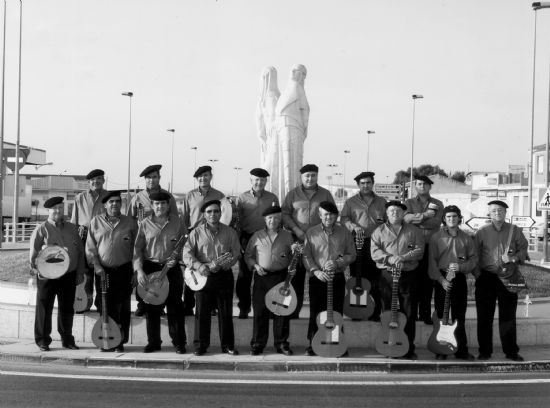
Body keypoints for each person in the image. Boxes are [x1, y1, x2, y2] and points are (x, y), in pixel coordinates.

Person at [182, 200, 241, 356]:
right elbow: (187, 254)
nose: (213, 214)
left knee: (226, 312)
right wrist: (201, 267)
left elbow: (235, 253)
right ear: (204, 214)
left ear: (220, 213)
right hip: (203, 276)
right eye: (209, 212)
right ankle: (200, 345)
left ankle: (228, 345)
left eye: (215, 211)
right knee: (201, 312)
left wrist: (225, 264)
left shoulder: (230, 232)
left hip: (223, 276)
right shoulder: (196, 233)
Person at [473, 200, 527, 362]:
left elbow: (523, 248)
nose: (497, 213)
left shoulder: (514, 230)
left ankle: (511, 351)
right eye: (494, 211)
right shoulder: (482, 232)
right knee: (484, 316)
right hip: (487, 277)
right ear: (489, 213)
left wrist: (514, 258)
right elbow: (474, 255)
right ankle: (484, 351)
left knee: (508, 315)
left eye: (501, 210)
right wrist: (478, 275)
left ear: (505, 213)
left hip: (508, 276)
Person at [133, 191, 187, 354]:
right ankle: (154, 342)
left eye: (163, 203)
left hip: (172, 268)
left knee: (175, 306)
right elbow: (137, 249)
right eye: (157, 203)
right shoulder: (144, 223)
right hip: (151, 267)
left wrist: (178, 258)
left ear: (167, 205)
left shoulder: (177, 222)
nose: (160, 206)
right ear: (152, 205)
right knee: (151, 307)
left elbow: (185, 244)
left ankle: (179, 342)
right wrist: (139, 270)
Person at [30, 196, 86, 351]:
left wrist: (80, 272)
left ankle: (67, 339)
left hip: (68, 275)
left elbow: (80, 252)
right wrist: (37, 271)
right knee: (44, 307)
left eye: (60, 208)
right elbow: (34, 255)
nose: (57, 211)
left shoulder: (72, 228)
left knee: (67, 308)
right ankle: (42, 340)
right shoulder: (42, 229)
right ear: (48, 210)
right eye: (54, 208)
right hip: (47, 275)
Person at [371, 200, 424, 359]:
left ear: (403, 214)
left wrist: (402, 258)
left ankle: (408, 348)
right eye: (392, 211)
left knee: (409, 312)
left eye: (398, 211)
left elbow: (419, 250)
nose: (395, 213)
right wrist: (390, 259)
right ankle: (389, 345)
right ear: (386, 213)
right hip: (387, 275)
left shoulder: (414, 231)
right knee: (388, 312)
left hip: (408, 274)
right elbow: (374, 252)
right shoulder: (378, 231)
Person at [282, 164, 335, 319]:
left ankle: (318, 315)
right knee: (295, 279)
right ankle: (293, 313)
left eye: (313, 175)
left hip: (319, 243)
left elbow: (331, 214)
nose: (310, 178)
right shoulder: (292, 194)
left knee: (317, 278)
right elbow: (285, 214)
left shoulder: (325, 194)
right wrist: (297, 230)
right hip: (297, 241)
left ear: (317, 176)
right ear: (301, 177)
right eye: (307, 176)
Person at [86, 191, 138, 352]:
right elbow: (90, 248)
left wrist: (136, 271)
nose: (114, 204)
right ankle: (107, 339)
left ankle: (120, 341)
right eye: (111, 202)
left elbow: (137, 249)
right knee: (105, 306)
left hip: (124, 270)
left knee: (123, 306)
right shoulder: (95, 222)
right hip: (103, 272)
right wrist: (97, 265)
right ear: (105, 205)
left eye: (117, 201)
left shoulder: (130, 222)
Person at [302, 201, 356, 356]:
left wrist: (338, 262)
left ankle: (337, 343)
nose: (328, 217)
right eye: (325, 214)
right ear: (319, 215)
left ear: (336, 215)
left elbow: (352, 254)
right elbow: (306, 255)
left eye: (332, 214)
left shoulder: (344, 232)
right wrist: (316, 271)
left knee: (336, 312)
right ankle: (313, 343)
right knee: (316, 312)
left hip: (337, 278)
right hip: (318, 278)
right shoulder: (311, 233)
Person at [127, 164, 178, 317]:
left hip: (161, 243)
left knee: (161, 278)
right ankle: (142, 303)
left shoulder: (168, 197)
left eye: (154, 177)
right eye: (148, 177)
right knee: (141, 275)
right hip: (142, 242)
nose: (151, 180)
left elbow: (175, 219)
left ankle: (160, 303)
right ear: (145, 179)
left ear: (159, 178)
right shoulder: (137, 197)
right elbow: (129, 220)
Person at [428, 205, 477, 361]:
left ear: (459, 218)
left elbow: (474, 259)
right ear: (444, 219)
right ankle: (441, 349)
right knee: (441, 315)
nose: (451, 219)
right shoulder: (436, 237)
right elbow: (432, 262)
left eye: (454, 216)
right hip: (442, 278)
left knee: (459, 317)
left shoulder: (466, 238)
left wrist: (461, 267)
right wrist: (441, 280)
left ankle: (461, 350)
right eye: (448, 217)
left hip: (458, 278)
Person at [245, 206, 295, 356]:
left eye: (276, 218)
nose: (273, 221)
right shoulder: (257, 236)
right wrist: (254, 265)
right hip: (262, 277)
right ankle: (258, 343)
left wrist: (295, 254)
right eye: (270, 218)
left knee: (281, 311)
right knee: (260, 311)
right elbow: (248, 255)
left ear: (280, 220)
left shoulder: (288, 236)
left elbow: (293, 257)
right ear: (265, 220)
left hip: (281, 277)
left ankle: (281, 343)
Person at [340, 171, 387, 321]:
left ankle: (375, 313)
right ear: (358, 185)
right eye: (362, 183)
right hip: (358, 243)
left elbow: (388, 221)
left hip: (377, 245)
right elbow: (344, 219)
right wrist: (353, 226)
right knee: (357, 278)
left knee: (376, 279)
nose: (365, 185)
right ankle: (357, 311)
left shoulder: (381, 201)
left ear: (373, 184)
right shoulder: (350, 202)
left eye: (368, 182)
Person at [235, 168, 279, 319]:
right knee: (244, 276)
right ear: (251, 180)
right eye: (256, 179)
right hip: (247, 238)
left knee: (266, 274)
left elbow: (276, 220)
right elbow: (237, 222)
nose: (259, 182)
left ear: (266, 181)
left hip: (266, 238)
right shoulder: (242, 198)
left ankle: (267, 307)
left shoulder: (272, 198)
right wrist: (238, 241)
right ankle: (244, 307)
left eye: (262, 180)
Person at [181, 165, 225, 316]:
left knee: (210, 270)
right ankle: (188, 306)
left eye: (206, 175)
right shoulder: (190, 195)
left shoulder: (219, 195)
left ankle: (211, 306)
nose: (203, 178)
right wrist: (186, 235)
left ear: (211, 176)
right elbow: (185, 217)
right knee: (191, 269)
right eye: (200, 176)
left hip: (212, 236)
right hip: (194, 235)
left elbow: (224, 216)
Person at [404, 175, 444, 325]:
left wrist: (417, 220)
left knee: (428, 282)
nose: (422, 187)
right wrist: (426, 215)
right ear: (415, 186)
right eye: (419, 184)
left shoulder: (438, 203)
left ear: (430, 187)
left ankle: (425, 313)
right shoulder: (408, 202)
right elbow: (406, 219)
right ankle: (412, 314)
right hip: (413, 247)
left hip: (430, 247)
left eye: (425, 184)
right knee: (413, 282)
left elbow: (436, 222)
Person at [71, 168, 110, 312]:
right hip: (83, 236)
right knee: (85, 273)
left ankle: (101, 304)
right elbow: (74, 222)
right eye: (93, 180)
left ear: (103, 180)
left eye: (99, 178)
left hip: (103, 238)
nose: (96, 182)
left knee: (102, 270)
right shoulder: (80, 198)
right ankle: (84, 302)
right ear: (89, 182)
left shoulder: (109, 197)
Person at [276, 64, 310, 196]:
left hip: (290, 128)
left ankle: (289, 195)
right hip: (291, 128)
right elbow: (305, 110)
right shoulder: (295, 88)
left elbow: (304, 109)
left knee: (290, 164)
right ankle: (290, 195)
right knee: (291, 163)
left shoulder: (292, 89)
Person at [256, 66, 281, 197]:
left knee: (269, 168)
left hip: (273, 139)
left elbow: (271, 118)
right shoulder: (264, 98)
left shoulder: (272, 95)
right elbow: (259, 120)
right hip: (267, 140)